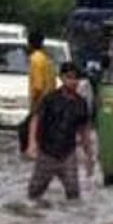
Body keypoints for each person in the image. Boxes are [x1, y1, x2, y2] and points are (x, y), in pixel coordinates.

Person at [26, 61, 94, 201]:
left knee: (74, 194)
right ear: (62, 78)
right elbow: (35, 119)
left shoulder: (81, 104)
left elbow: (84, 132)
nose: (73, 82)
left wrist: (89, 157)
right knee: (34, 193)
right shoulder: (50, 99)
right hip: (47, 152)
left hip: (68, 154)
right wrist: (32, 144)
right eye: (69, 77)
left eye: (76, 78)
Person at [21, 29, 56, 153]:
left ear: (29, 43)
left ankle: (32, 150)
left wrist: (35, 105)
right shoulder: (47, 59)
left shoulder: (35, 59)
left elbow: (38, 86)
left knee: (32, 126)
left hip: (41, 100)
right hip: (50, 99)